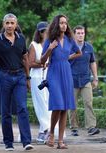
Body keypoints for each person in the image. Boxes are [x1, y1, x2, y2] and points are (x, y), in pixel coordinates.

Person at [0, 13, 34, 151]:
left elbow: (25, 59)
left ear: (16, 24)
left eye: (12, 23)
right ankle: (8, 143)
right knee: (6, 111)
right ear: (4, 25)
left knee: (22, 108)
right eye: (7, 23)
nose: (10, 25)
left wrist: (28, 78)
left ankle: (26, 141)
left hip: (20, 76)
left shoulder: (21, 39)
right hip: (4, 77)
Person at [40, 14, 82, 149]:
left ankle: (60, 141)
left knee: (65, 107)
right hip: (53, 73)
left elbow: (79, 52)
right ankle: (51, 133)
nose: (64, 25)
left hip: (66, 72)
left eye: (65, 22)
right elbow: (42, 60)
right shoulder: (50, 39)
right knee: (58, 104)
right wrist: (50, 49)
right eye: (61, 23)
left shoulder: (70, 39)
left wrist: (68, 57)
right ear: (56, 24)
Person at [69, 25, 100, 136]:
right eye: (78, 33)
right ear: (74, 34)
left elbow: (92, 62)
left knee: (88, 103)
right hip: (72, 80)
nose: (81, 35)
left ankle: (91, 127)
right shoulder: (69, 47)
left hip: (86, 79)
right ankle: (74, 128)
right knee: (72, 105)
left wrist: (95, 78)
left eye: (82, 33)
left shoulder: (89, 47)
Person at [28, 21, 51, 143]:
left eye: (46, 30)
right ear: (39, 32)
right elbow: (30, 63)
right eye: (42, 31)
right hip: (37, 77)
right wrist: (42, 63)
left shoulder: (51, 44)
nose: (45, 33)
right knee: (40, 104)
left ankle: (44, 131)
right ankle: (46, 128)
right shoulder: (34, 45)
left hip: (49, 77)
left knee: (48, 104)